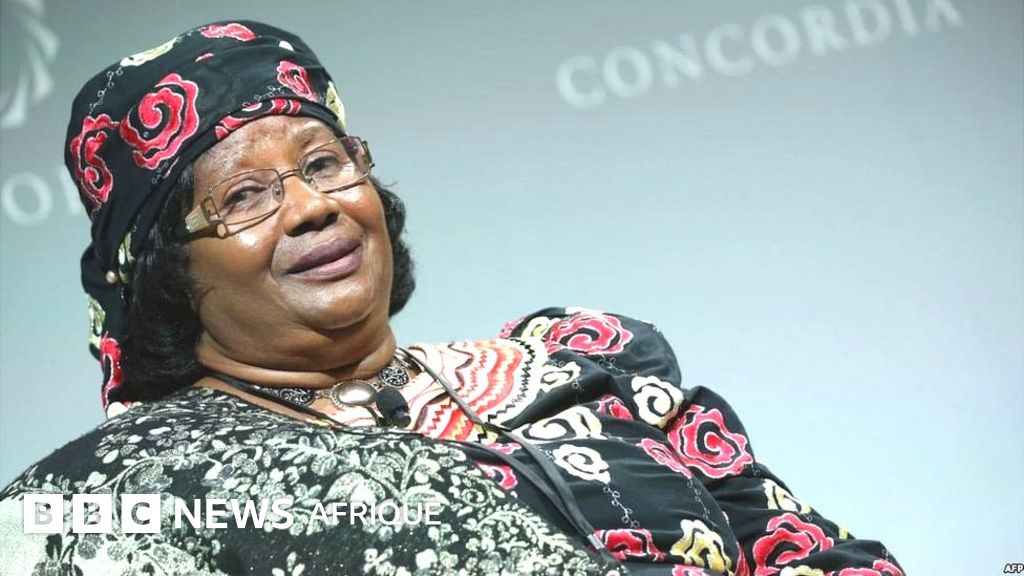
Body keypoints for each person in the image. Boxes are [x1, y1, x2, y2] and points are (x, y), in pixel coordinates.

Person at [0, 20, 903, 576]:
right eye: (244, 196)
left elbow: (814, 551)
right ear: (167, 274)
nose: (312, 206)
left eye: (325, 163)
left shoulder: (584, 361)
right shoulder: (133, 493)